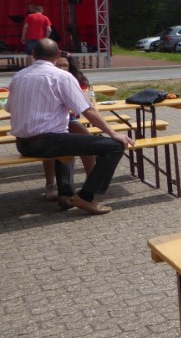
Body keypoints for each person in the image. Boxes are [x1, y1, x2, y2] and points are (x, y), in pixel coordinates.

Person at [8, 39, 133, 215]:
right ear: (58, 54)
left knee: (65, 140)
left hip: (23, 144)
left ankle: (66, 195)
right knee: (114, 146)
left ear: (33, 55)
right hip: (47, 141)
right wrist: (113, 133)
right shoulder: (62, 77)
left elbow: (9, 108)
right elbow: (87, 109)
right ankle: (86, 197)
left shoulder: (18, 77)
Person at [40, 54, 97, 200]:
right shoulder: (47, 79)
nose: (61, 68)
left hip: (70, 119)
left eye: (64, 65)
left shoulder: (76, 80)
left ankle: (92, 181)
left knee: (87, 140)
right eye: (58, 65)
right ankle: (50, 185)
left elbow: (87, 102)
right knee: (50, 148)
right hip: (50, 122)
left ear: (70, 66)